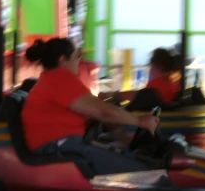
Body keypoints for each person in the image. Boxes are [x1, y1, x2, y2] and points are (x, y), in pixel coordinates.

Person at [21, 38, 159, 175]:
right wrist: (139, 121)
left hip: (62, 143)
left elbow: (97, 111)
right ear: (63, 60)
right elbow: (102, 111)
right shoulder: (59, 78)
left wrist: (120, 134)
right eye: (76, 57)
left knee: (130, 158)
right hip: (57, 146)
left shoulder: (52, 79)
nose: (79, 61)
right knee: (143, 171)